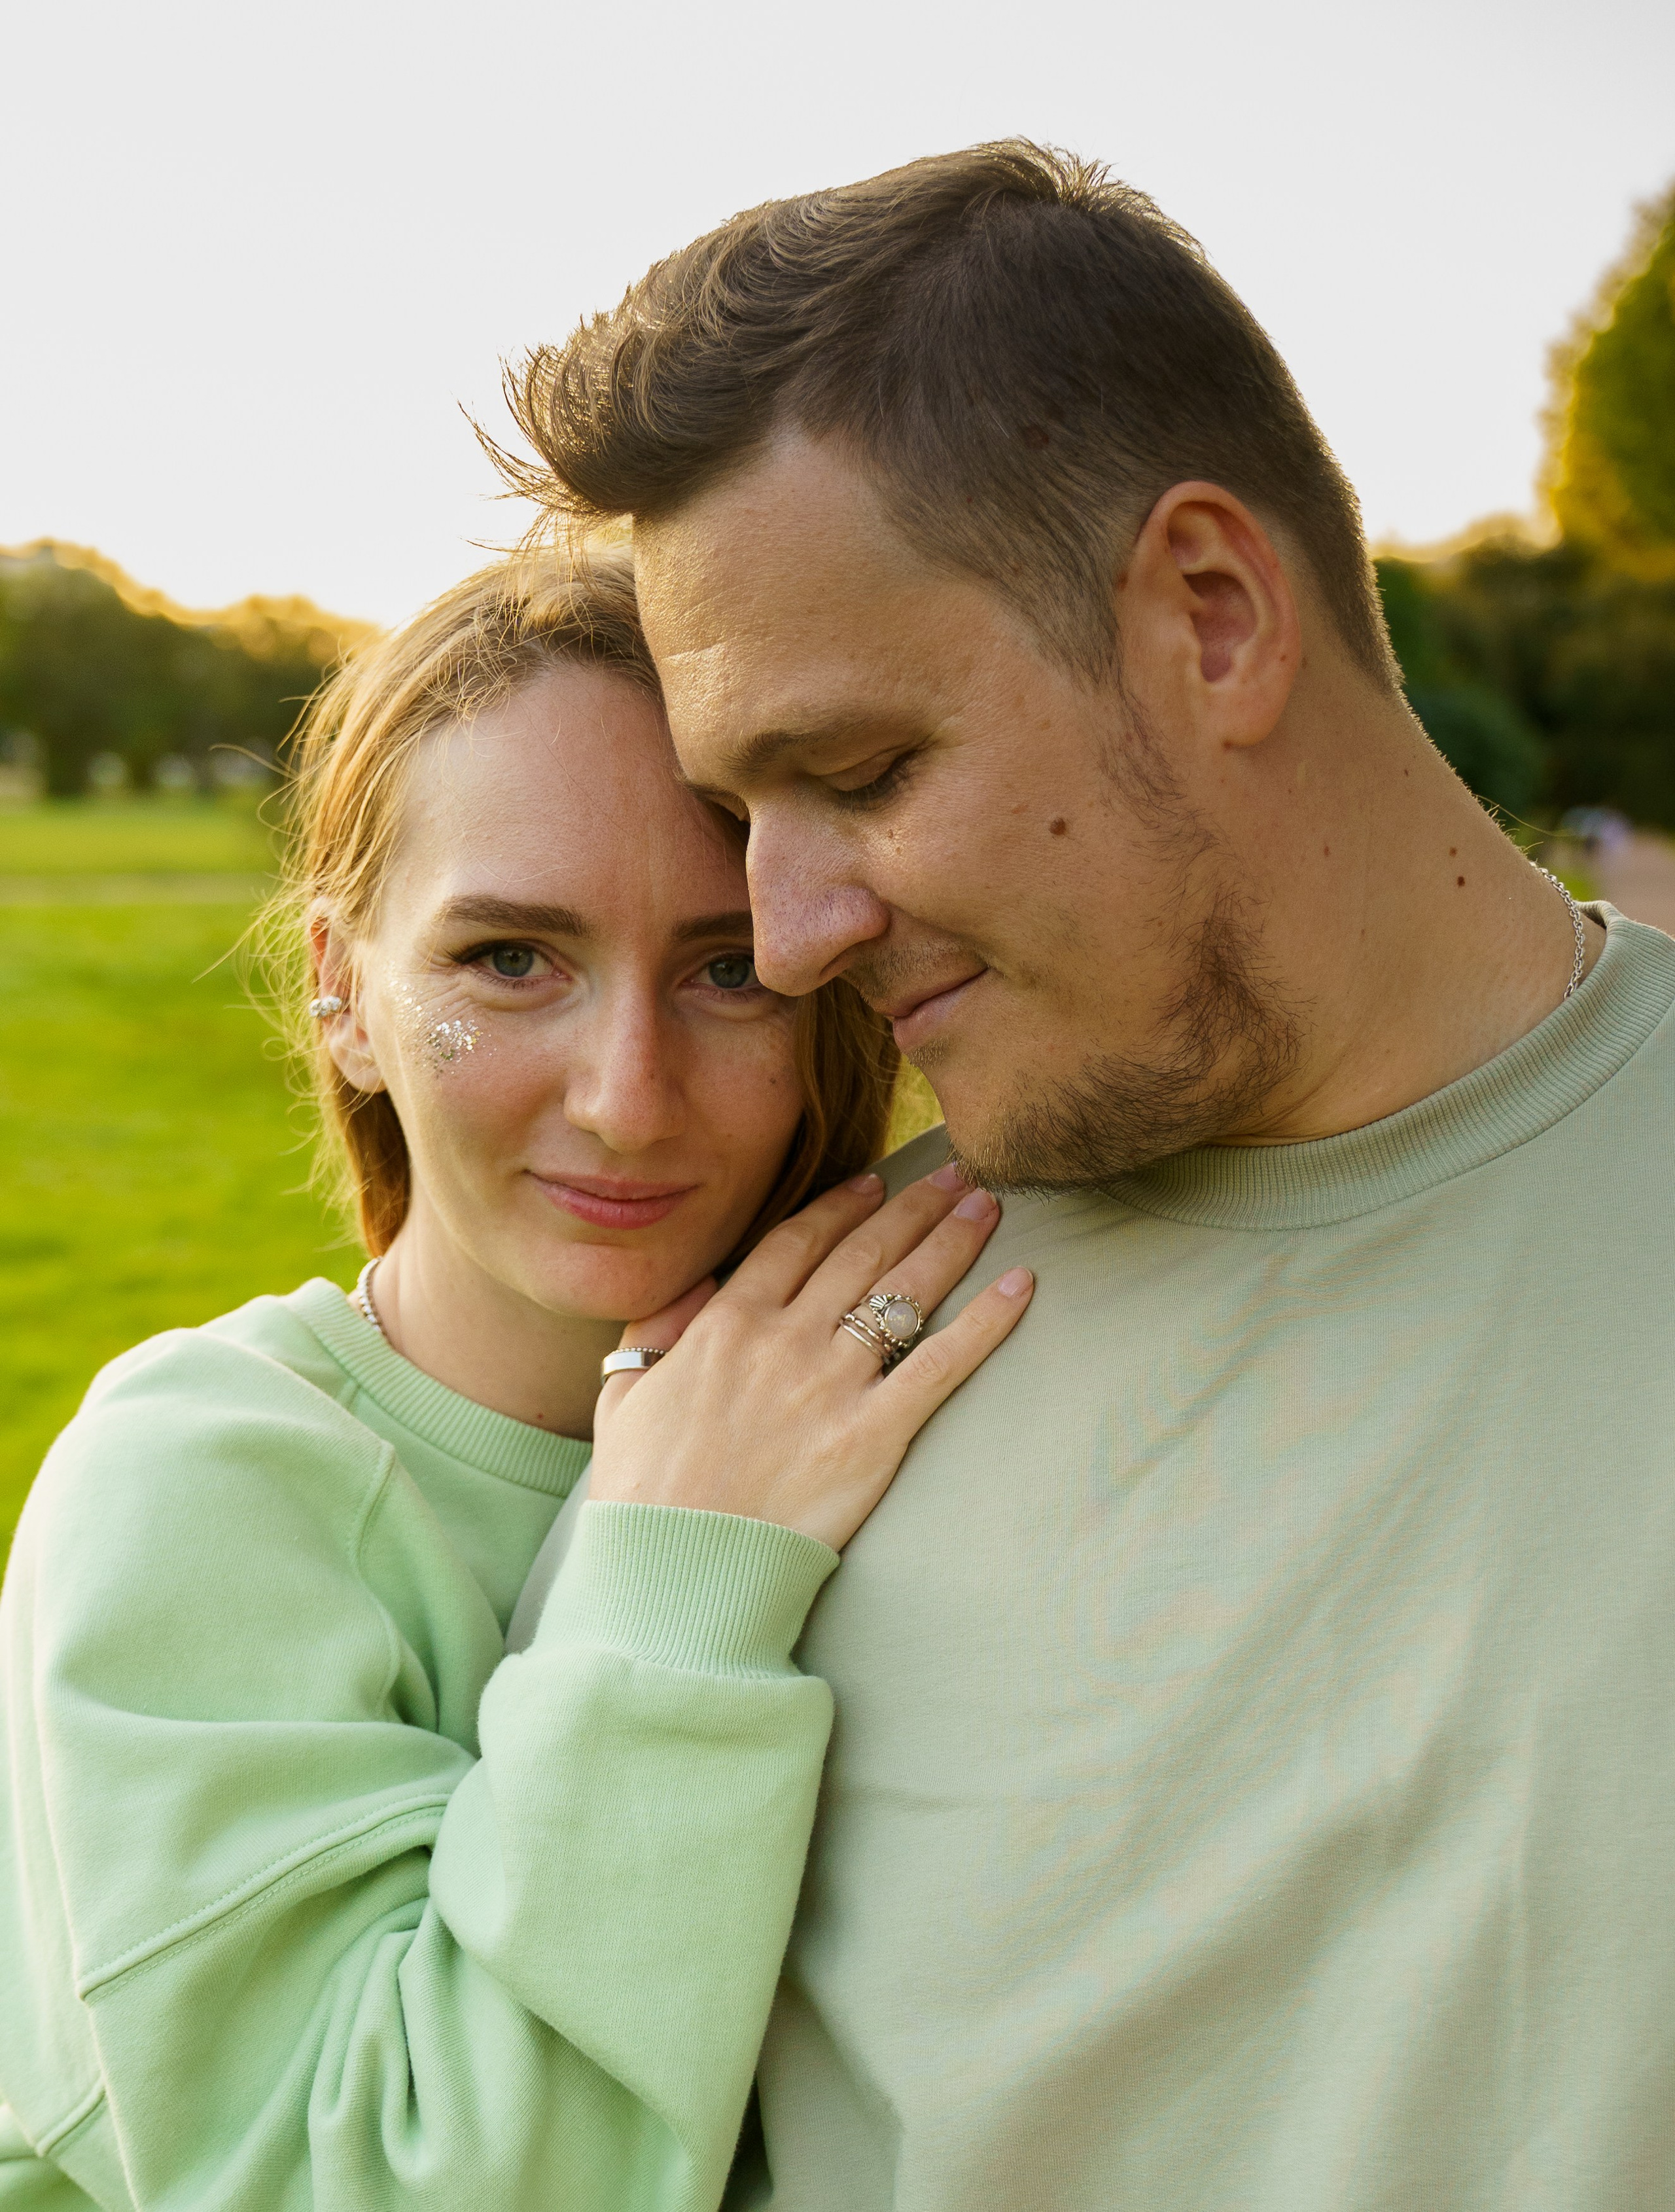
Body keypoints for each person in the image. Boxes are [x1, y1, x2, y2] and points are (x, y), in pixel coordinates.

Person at [508, 143, 1675, 2209]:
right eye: (738, 808)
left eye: (861, 774)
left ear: (1212, 619)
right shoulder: (763, 1401)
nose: (784, 940)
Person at [0, 547, 1034, 2210]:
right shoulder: (197, 1476)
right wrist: (672, 1567)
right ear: (345, 994)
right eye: (509, 958)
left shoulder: (914, 1395)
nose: (629, 1099)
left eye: (726, 971)